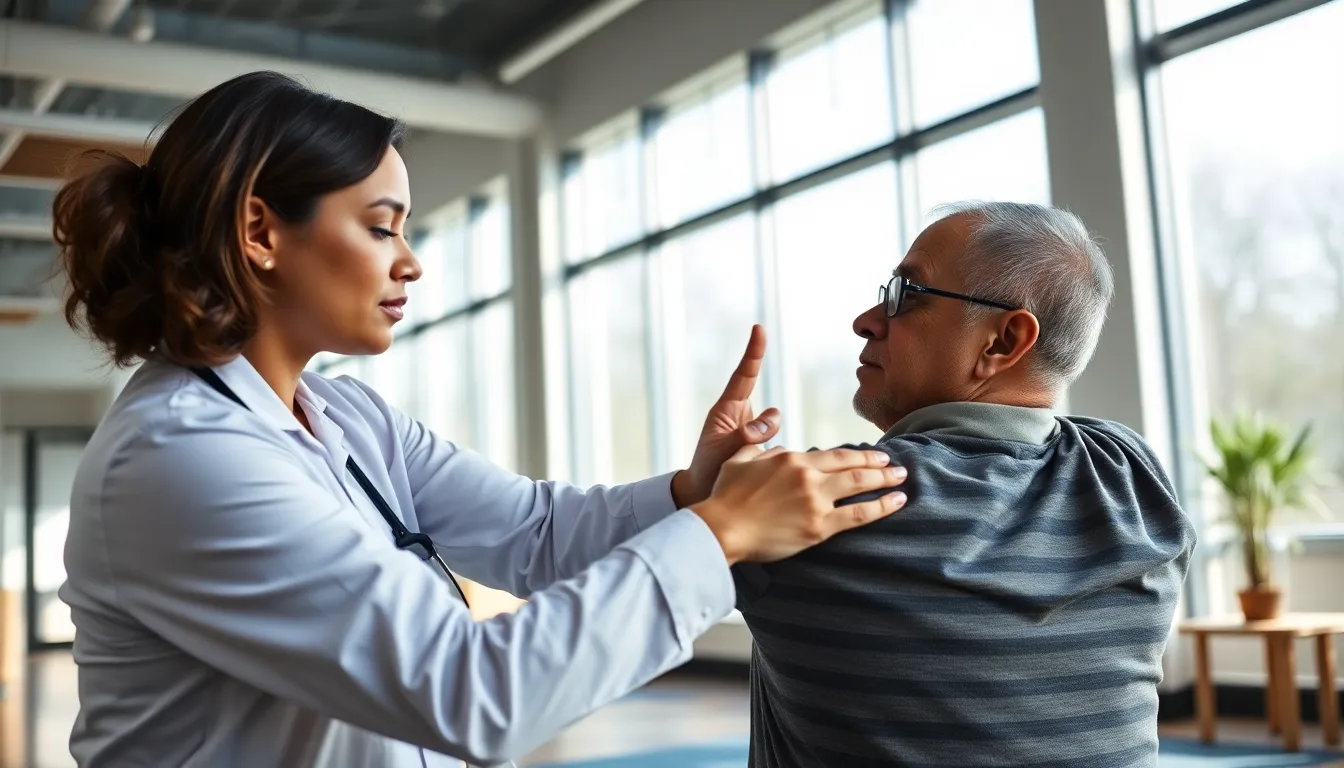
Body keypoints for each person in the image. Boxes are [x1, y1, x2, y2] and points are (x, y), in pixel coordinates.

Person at [52, 70, 910, 768]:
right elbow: (469, 692)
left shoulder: (349, 420)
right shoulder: (182, 458)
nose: (411, 262)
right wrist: (720, 535)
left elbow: (535, 532)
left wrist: (695, 492)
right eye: (382, 227)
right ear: (260, 231)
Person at [734, 202, 1197, 767]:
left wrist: (713, 483)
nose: (868, 318)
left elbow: (619, 571)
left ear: (1003, 343)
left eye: (908, 294)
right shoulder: (1132, 477)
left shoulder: (832, 501)